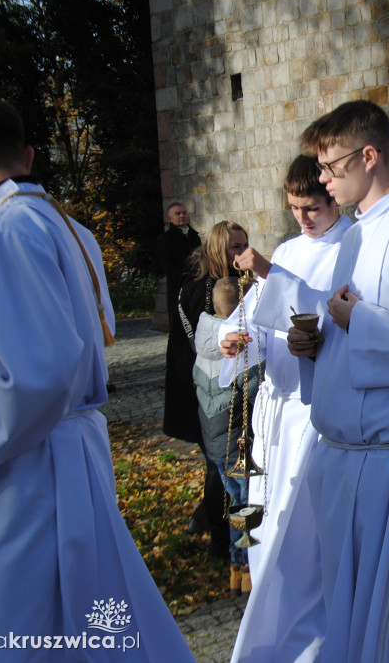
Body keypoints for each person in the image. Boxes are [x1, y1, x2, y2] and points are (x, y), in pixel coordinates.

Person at [231, 100, 389, 662]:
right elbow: (345, 328)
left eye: (331, 167)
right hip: (340, 452)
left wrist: (357, 322)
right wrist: (317, 342)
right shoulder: (355, 236)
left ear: (370, 157)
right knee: (335, 611)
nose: (321, 179)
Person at [0, 93, 193, 660]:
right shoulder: (66, 225)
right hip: (65, 444)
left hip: (33, 464)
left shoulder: (5, 227)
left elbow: (32, 381)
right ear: (28, 155)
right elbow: (62, 347)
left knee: (25, 626)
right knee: (87, 612)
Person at [220, 153, 352, 663]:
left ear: (331, 197)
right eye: (294, 207)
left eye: (312, 207)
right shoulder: (288, 248)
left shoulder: (350, 249)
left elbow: (333, 315)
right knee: (268, 532)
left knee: (305, 541)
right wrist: (239, 342)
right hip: (273, 415)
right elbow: (261, 323)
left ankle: (314, 644)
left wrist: (311, 336)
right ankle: (274, 636)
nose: (303, 218)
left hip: (313, 415)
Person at [168, 220, 250, 558]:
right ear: (218, 249)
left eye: (245, 245)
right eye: (236, 247)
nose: (243, 253)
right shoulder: (202, 288)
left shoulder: (237, 282)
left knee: (222, 465)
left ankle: (210, 523)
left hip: (225, 388)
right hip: (207, 389)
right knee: (220, 466)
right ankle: (221, 540)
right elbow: (201, 342)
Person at [193, 276, 262, 596]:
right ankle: (246, 566)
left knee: (233, 500)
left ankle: (235, 571)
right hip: (237, 443)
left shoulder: (206, 339)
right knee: (245, 505)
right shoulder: (239, 348)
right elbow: (251, 389)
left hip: (214, 442)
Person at [155, 200, 201, 319]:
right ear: (170, 218)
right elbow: (167, 266)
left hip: (196, 285)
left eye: (184, 213)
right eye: (178, 213)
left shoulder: (194, 237)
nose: (182, 216)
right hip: (178, 286)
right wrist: (186, 276)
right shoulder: (164, 240)